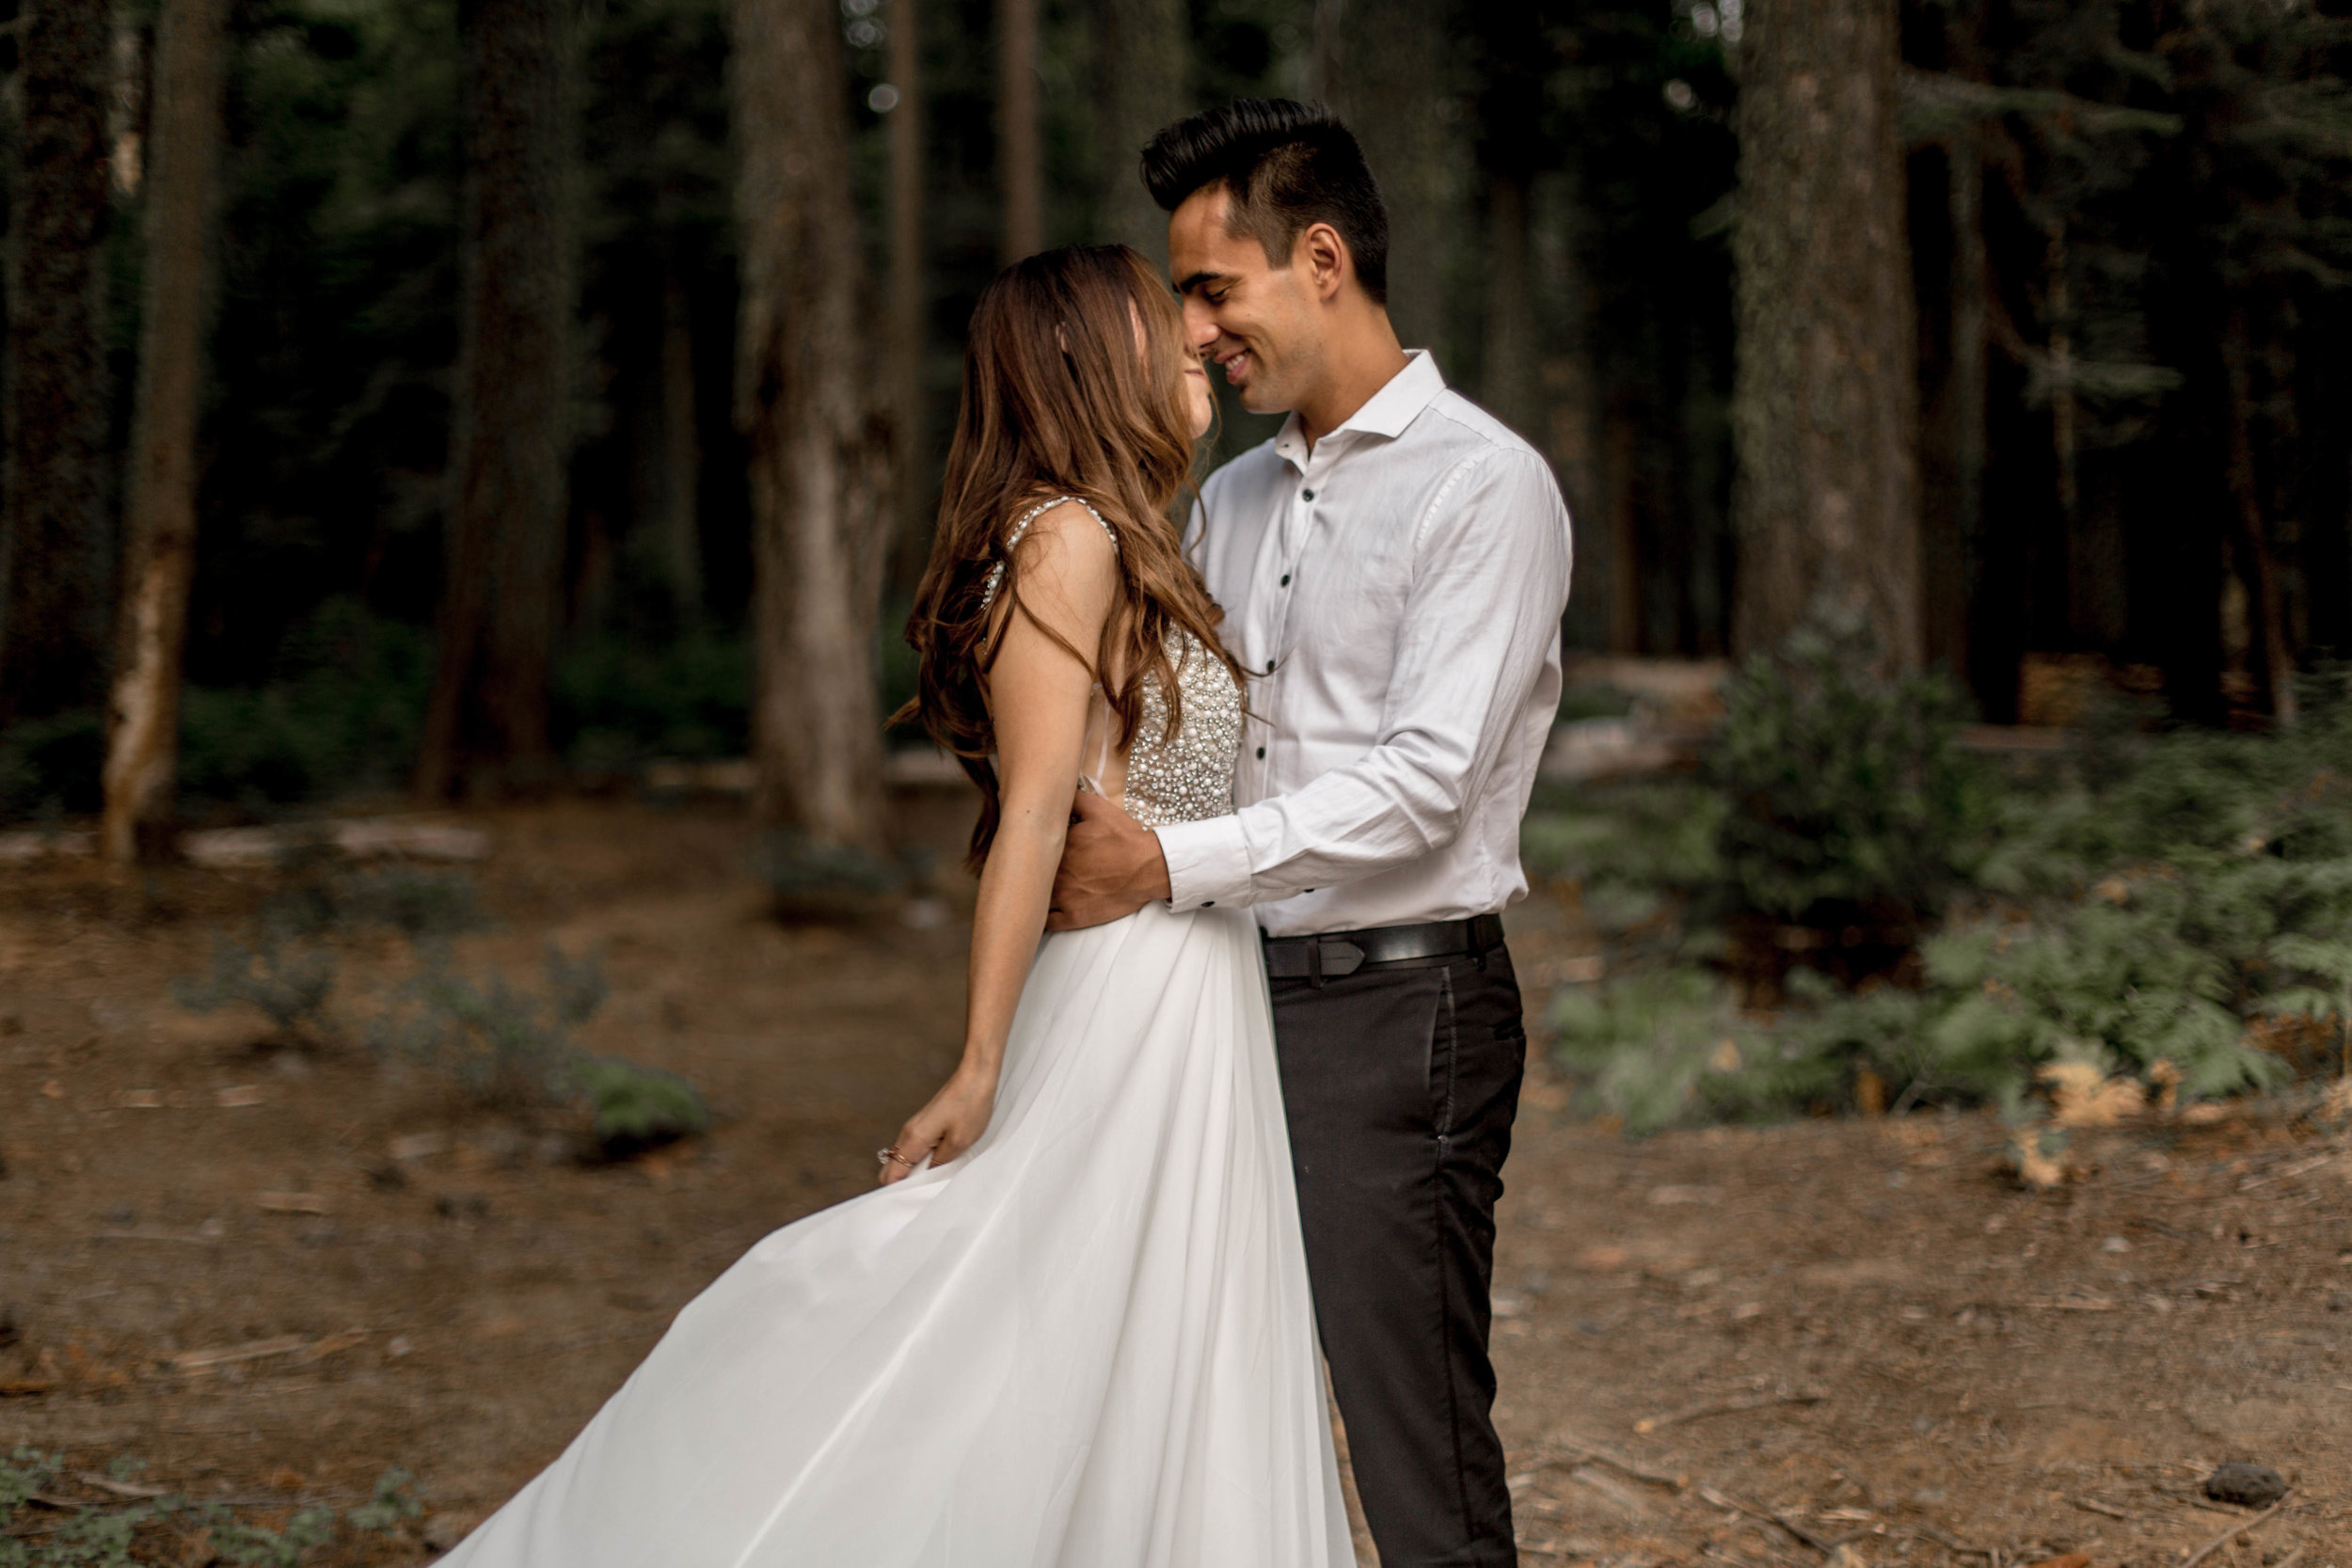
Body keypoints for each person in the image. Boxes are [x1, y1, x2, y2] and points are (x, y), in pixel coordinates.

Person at [434, 245, 1352, 1567]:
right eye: (1167, 324)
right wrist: (979, 1061)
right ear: (1097, 360)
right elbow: (1037, 812)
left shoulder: (1128, 533)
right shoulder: (1070, 538)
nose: (1198, 344)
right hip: (1130, 995)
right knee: (1017, 1322)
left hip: (1200, 986)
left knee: (1160, 1339)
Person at [1049, 101, 1575, 1568]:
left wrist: (1163, 865)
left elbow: (1429, 783)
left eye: (1213, 290)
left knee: (1402, 1414)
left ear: (1322, 259)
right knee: (1219, 1395)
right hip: (1216, 1004)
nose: (1195, 329)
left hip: (1402, 1013)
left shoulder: (1485, 486)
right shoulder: (1225, 502)